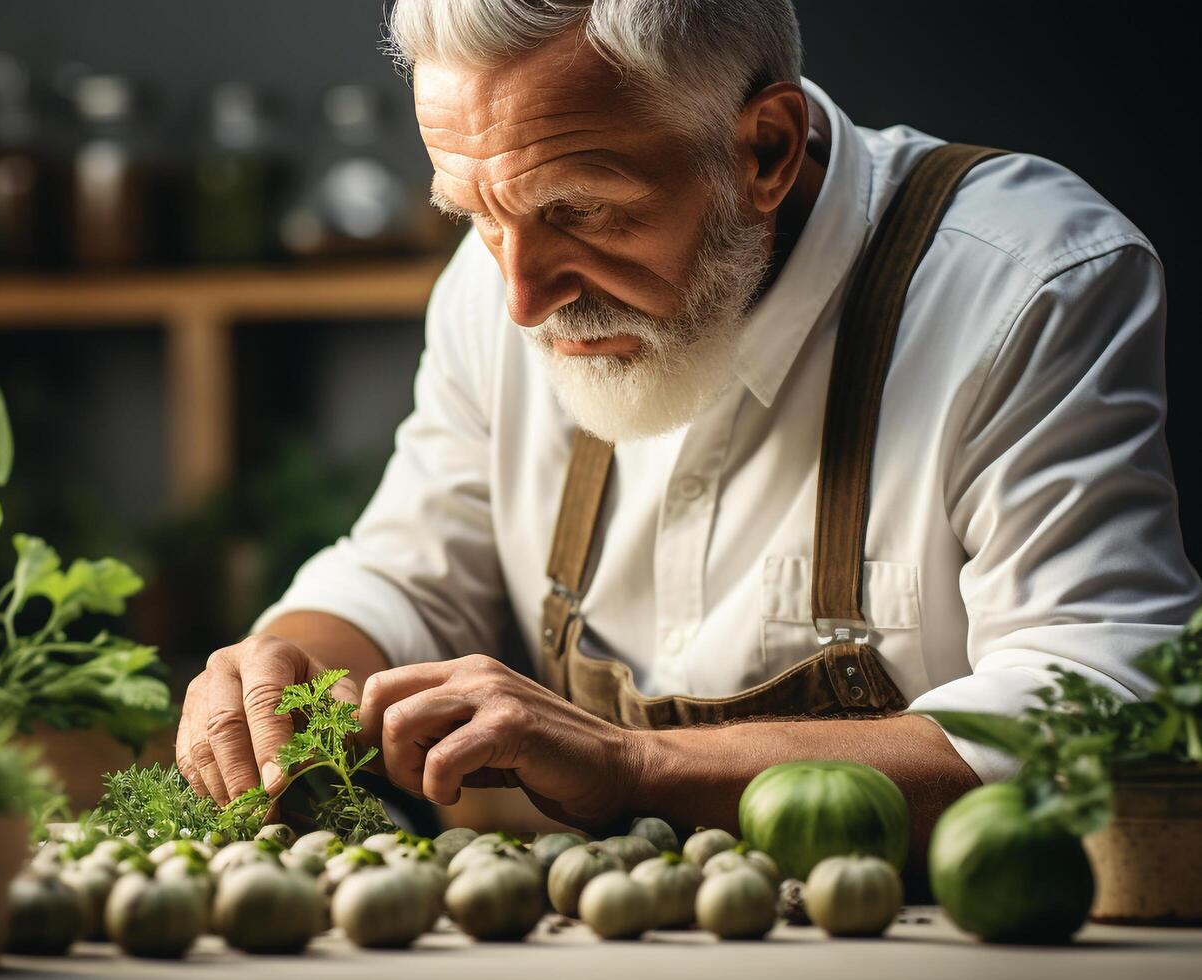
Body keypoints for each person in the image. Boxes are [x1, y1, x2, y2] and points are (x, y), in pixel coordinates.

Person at [176, 0, 1198, 858]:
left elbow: (1101, 713)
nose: (522, 297)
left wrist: (629, 764)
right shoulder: (492, 292)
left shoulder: (1025, 287)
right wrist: (287, 659)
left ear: (762, 147)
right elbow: (410, 573)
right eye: (475, 215)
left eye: (578, 209)